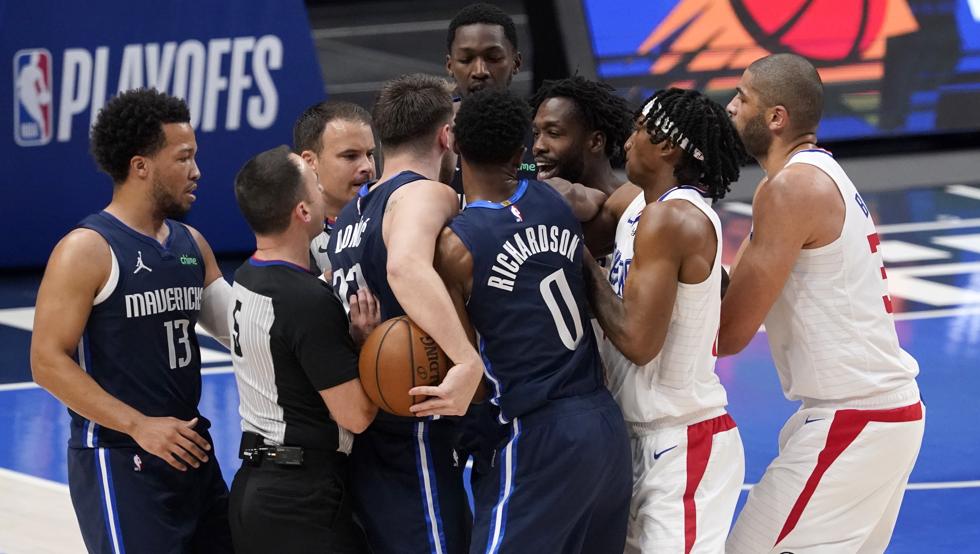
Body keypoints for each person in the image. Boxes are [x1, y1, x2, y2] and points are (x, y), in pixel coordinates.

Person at [720, 53, 925, 553]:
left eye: (742, 98)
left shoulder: (792, 188)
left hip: (854, 417)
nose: (730, 107)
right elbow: (731, 283)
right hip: (877, 414)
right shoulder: (806, 177)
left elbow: (729, 332)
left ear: (776, 118)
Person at [29, 89, 233, 554]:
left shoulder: (191, 243)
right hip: (121, 457)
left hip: (190, 450)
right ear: (141, 166)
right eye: (183, 158)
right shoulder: (86, 249)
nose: (197, 171)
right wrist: (139, 425)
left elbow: (240, 330)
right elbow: (45, 362)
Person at [431, 88, 632, 553]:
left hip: (537, 436)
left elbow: (471, 372)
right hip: (604, 423)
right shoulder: (553, 201)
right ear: (521, 151)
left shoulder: (455, 247)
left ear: (455, 144)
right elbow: (527, 175)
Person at [581, 88, 746, 553]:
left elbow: (637, 340)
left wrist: (582, 265)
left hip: (681, 443)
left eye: (638, 129)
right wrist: (525, 168)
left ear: (668, 146)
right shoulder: (640, 205)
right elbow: (560, 183)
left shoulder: (671, 219)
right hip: (640, 440)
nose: (628, 141)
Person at [327, 73, 483, 554]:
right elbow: (405, 268)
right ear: (446, 135)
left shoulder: (350, 214)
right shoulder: (423, 194)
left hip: (374, 423)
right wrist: (466, 361)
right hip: (418, 417)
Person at [226, 146, 377, 553]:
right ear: (303, 212)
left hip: (256, 487)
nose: (322, 188)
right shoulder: (306, 300)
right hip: (299, 499)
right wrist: (367, 346)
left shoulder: (247, 274)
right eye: (314, 185)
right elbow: (357, 416)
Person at [445, 2, 538, 195]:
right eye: (466, 60)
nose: (480, 71)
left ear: (516, 62)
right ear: (450, 66)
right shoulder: (429, 133)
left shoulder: (543, 132)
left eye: (493, 58)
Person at [292, 101, 376, 275]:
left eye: (370, 154)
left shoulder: (395, 213)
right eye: (350, 156)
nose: (367, 167)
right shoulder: (288, 232)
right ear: (310, 162)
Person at [529, 75, 633, 197]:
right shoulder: (531, 206)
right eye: (536, 134)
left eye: (553, 133)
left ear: (596, 142)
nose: (537, 147)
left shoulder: (639, 206)